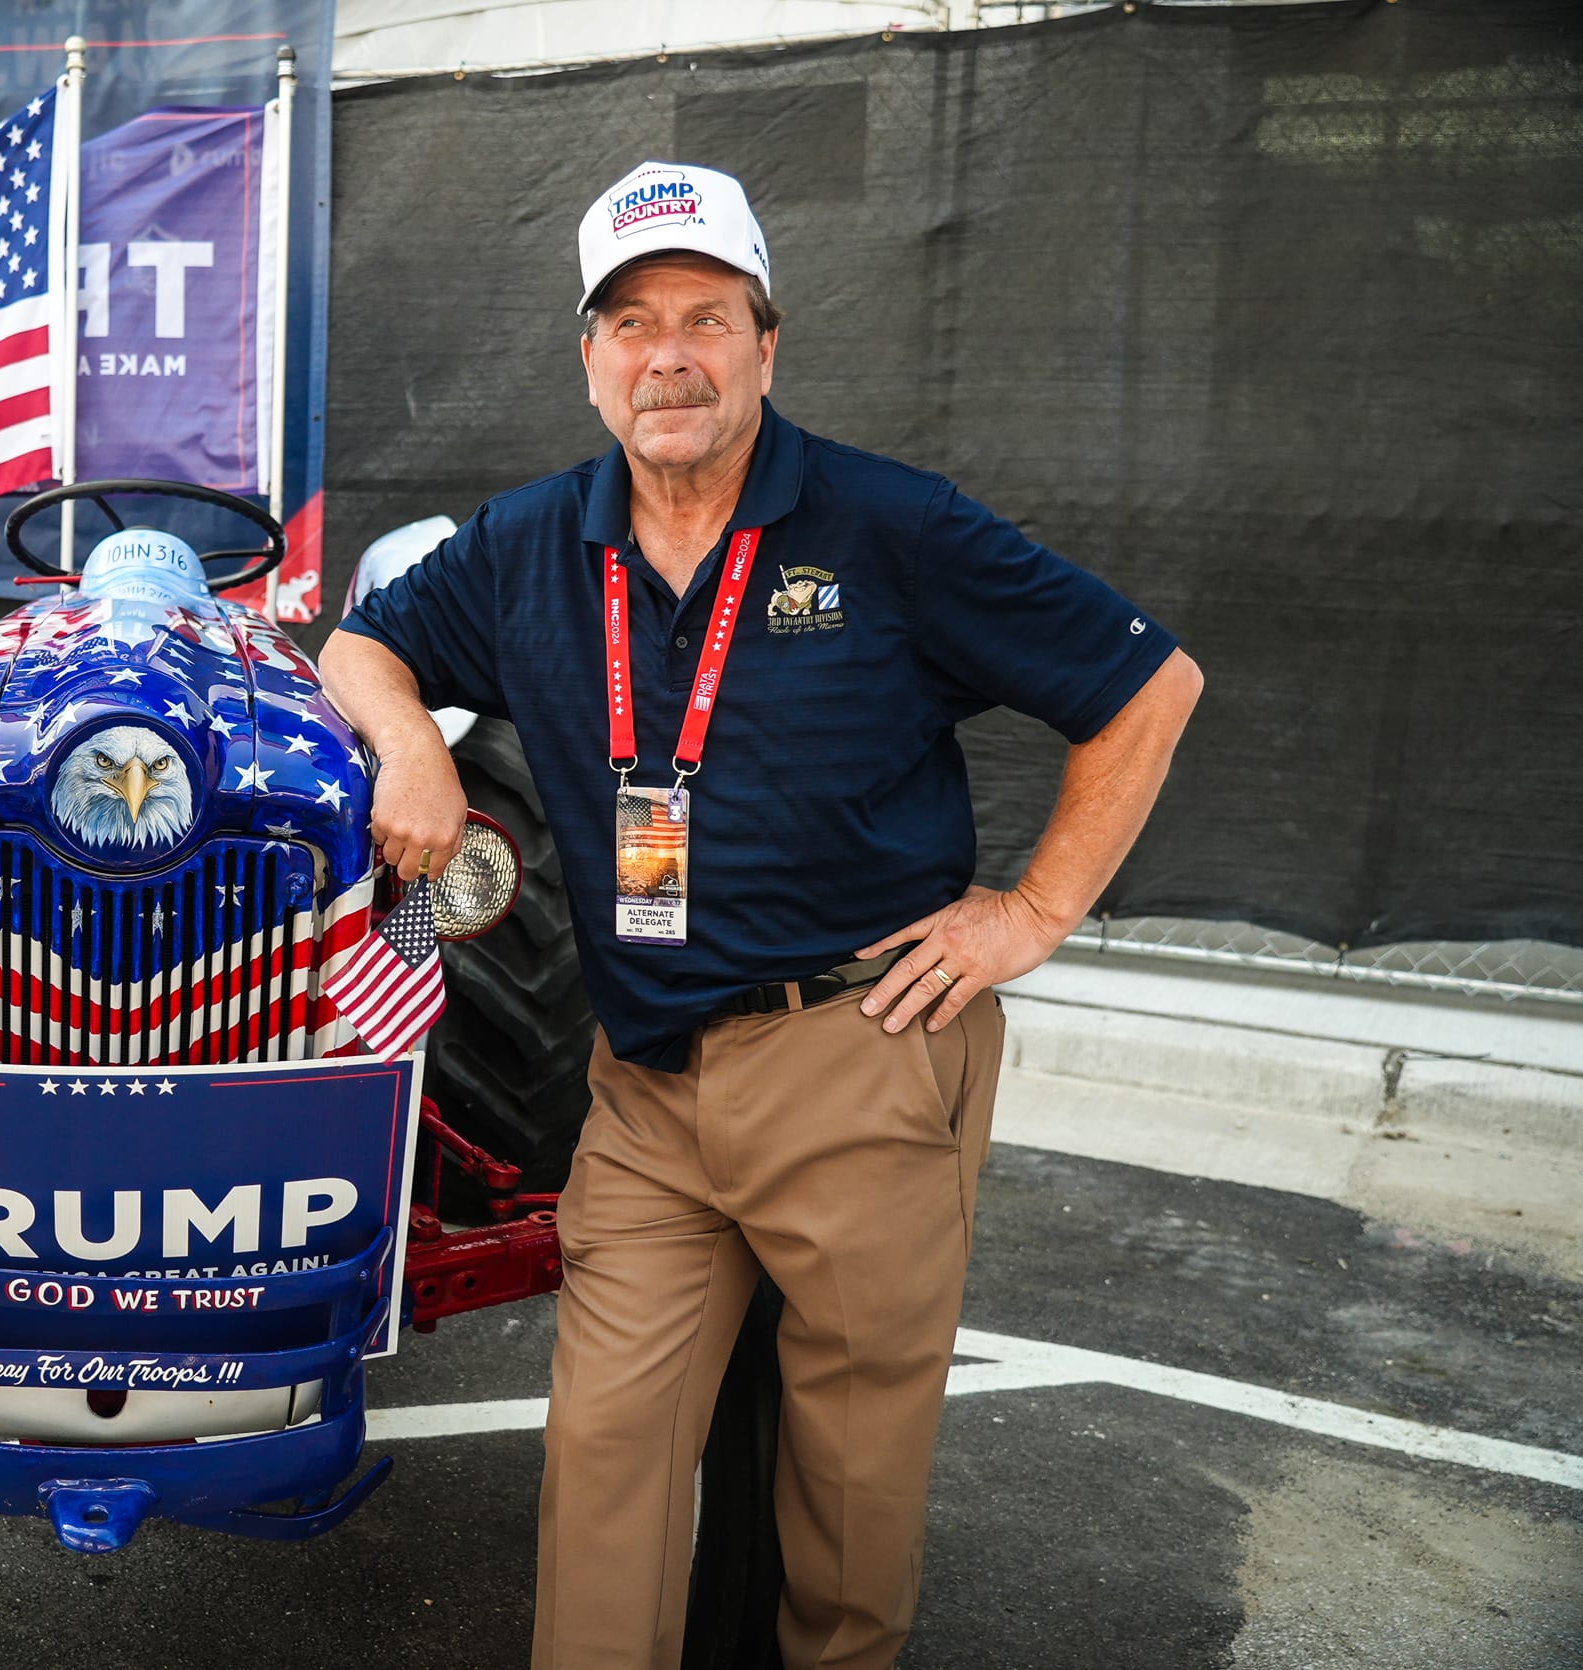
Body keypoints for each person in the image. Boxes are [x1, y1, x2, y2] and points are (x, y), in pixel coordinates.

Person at [322, 161, 1203, 1670]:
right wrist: (413, 744)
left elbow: (1147, 686)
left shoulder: (887, 524)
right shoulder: (536, 539)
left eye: (707, 316)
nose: (670, 353)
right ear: (589, 357)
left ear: (766, 345)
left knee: (847, 1500)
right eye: (632, 321)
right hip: (649, 1080)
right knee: (605, 1462)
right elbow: (361, 644)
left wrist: (1032, 913)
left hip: (858, 1048)